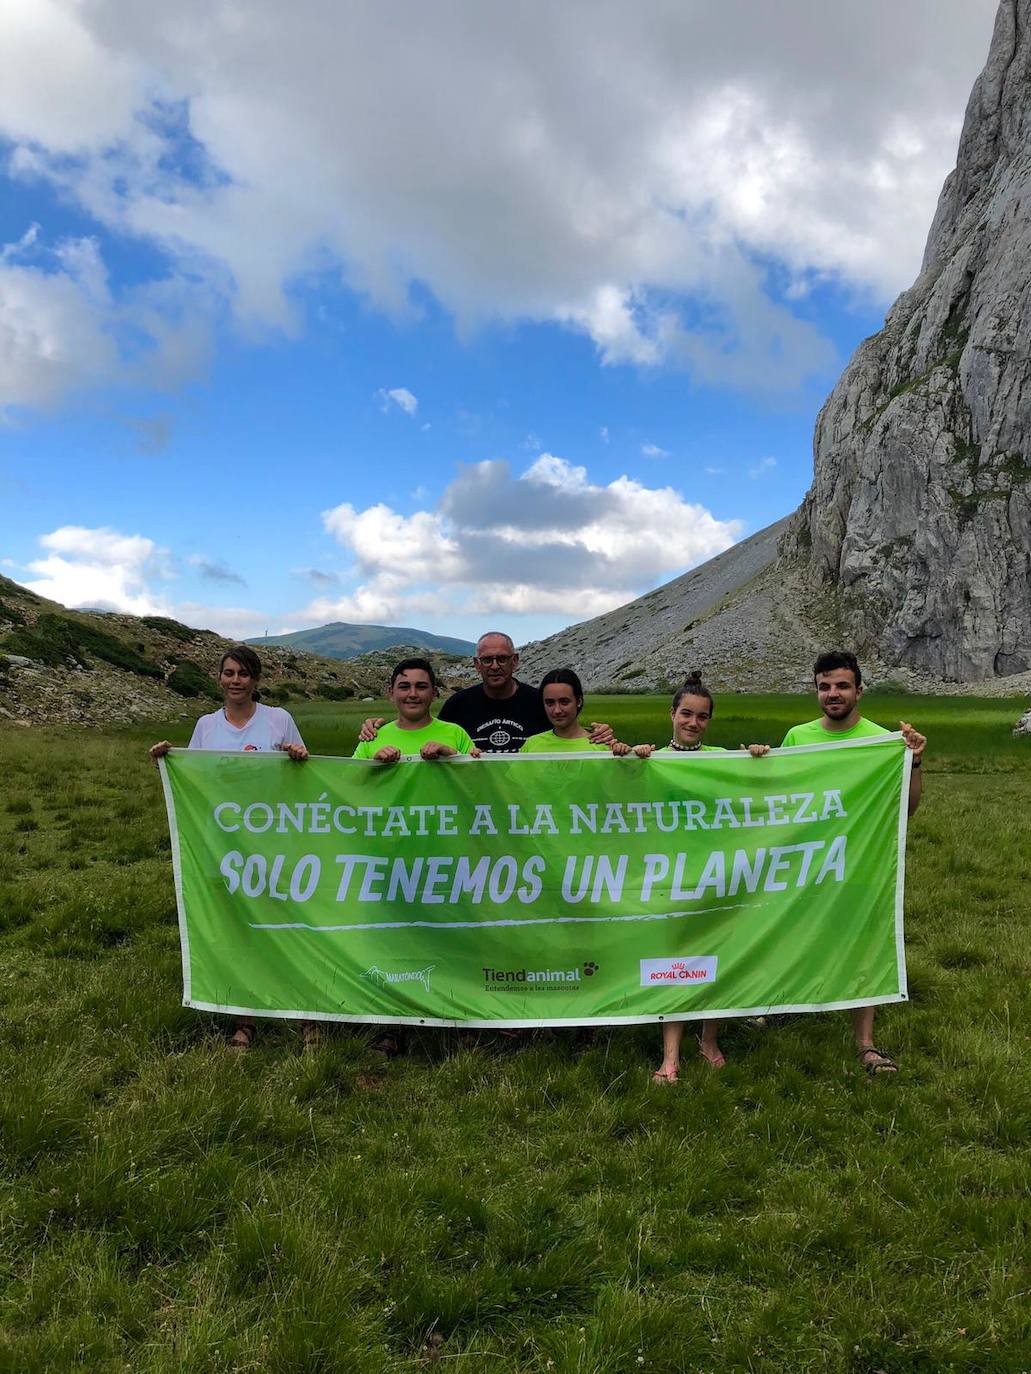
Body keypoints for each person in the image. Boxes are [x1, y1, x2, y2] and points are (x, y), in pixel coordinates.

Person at [150, 645, 311, 1051]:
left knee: (287, 924)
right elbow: (195, 776)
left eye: (243, 673)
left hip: (274, 841)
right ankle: (246, 1017)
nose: (236, 680)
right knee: (240, 927)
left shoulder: (279, 719)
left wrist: (297, 755)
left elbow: (304, 772)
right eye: (229, 673)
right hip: (226, 844)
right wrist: (167, 761)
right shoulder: (206, 725)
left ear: (256, 680)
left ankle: (307, 1013)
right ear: (219, 679)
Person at [781, 650, 926, 1076]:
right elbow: (773, 799)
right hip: (807, 864)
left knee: (863, 946)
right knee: (794, 934)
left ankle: (865, 1043)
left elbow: (909, 808)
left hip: (860, 863)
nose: (833, 694)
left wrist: (914, 760)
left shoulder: (881, 741)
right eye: (824, 687)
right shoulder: (796, 738)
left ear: (859, 690)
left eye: (842, 685)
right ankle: (781, 1004)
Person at [627, 671, 770, 1081]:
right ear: (671, 714)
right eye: (686, 714)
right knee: (675, 959)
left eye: (702, 717)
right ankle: (670, 1056)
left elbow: (759, 790)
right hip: (670, 879)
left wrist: (758, 756)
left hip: (716, 874)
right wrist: (627, 758)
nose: (693, 723)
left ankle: (709, 1039)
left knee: (715, 954)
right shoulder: (651, 759)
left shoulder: (722, 758)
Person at [352, 656, 479, 1056]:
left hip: (446, 856)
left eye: (421, 686)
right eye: (404, 686)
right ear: (391, 692)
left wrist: (451, 756)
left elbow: (485, 783)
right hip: (391, 857)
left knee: (451, 937)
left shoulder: (454, 733)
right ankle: (393, 1024)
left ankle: (459, 1019)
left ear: (434, 692)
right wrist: (371, 764)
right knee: (395, 940)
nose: (412, 693)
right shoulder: (373, 737)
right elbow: (347, 789)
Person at [358, 631, 614, 753]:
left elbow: (567, 730)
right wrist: (374, 729)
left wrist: (597, 734)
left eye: (502, 659)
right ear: (476, 664)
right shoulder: (458, 706)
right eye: (487, 659)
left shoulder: (539, 701)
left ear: (515, 661)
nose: (495, 666)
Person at [519, 667, 618, 753]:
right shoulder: (531, 746)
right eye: (550, 703)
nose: (557, 710)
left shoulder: (601, 746)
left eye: (564, 702)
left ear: (578, 701)